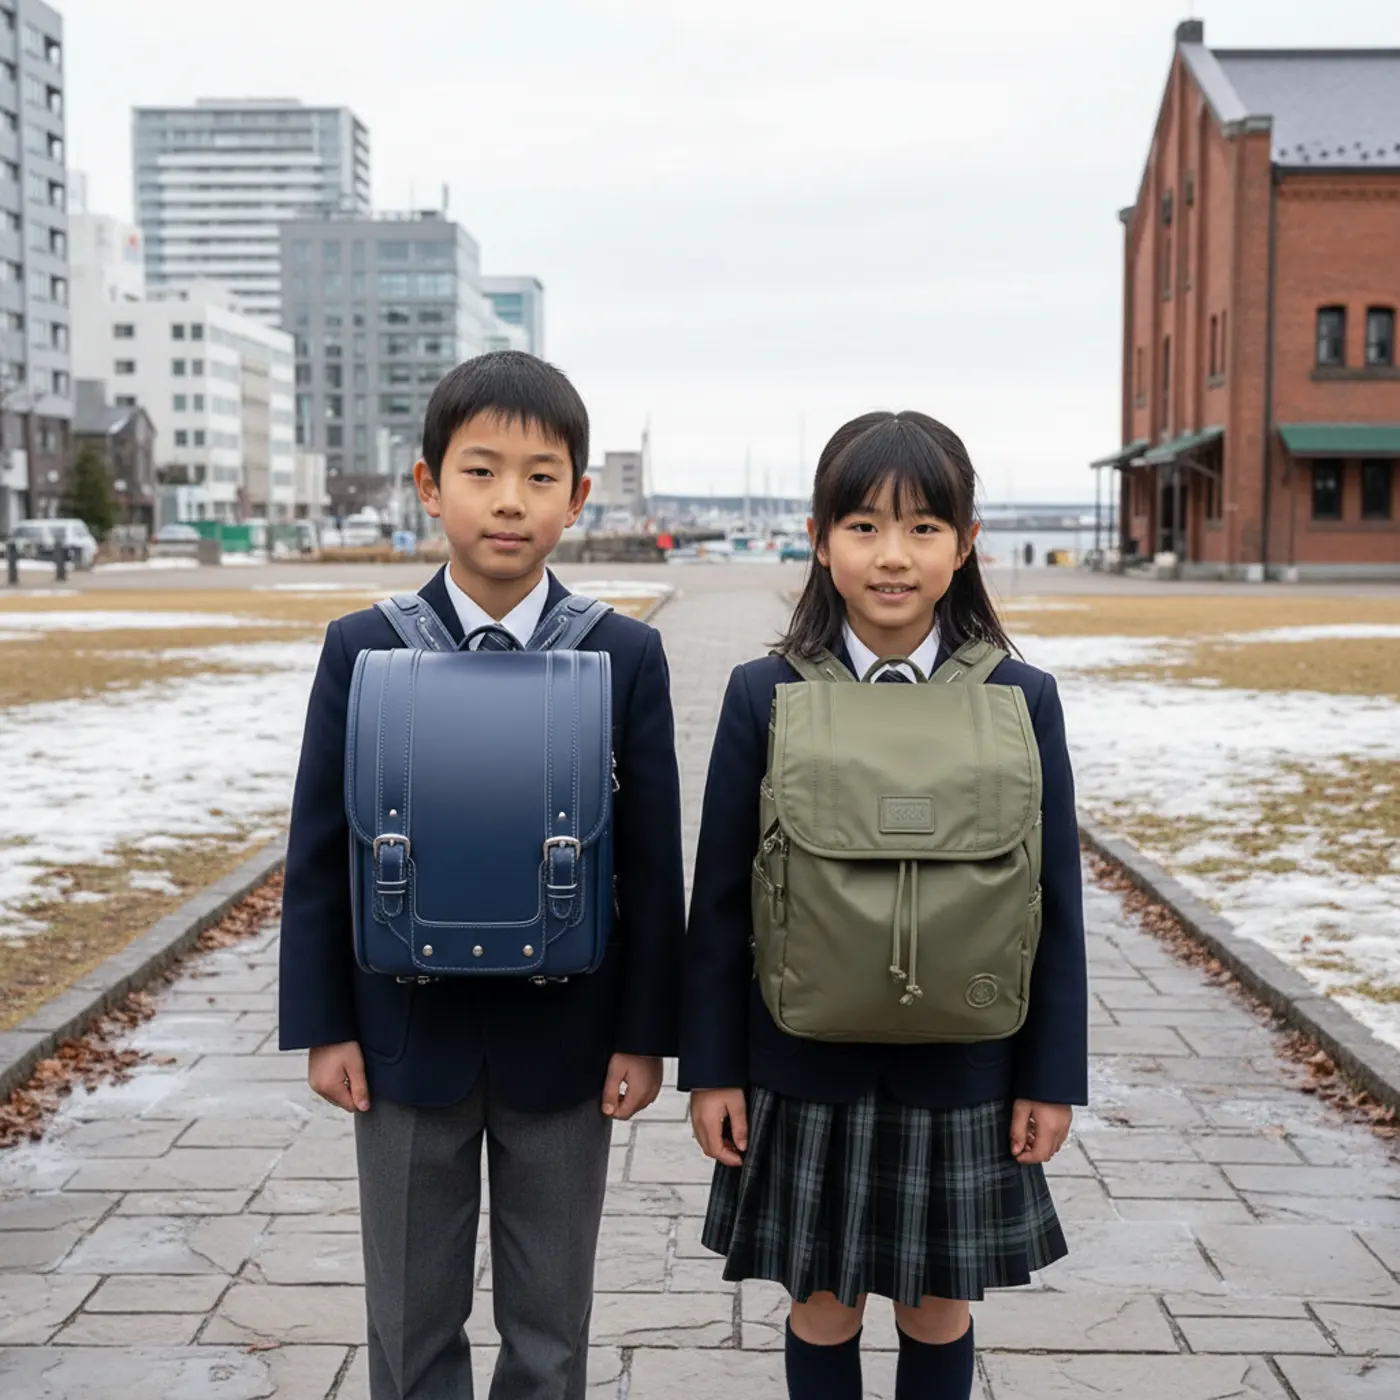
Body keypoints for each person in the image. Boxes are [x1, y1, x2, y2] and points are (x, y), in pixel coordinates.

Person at [279, 351, 686, 1400]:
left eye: (540, 476)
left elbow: (651, 866)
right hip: (401, 1042)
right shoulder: (364, 648)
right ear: (429, 484)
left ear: (577, 497)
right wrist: (325, 1025)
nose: (510, 500)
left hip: (569, 1044)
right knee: (407, 1326)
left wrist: (644, 1034)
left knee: (551, 1331)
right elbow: (320, 850)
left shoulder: (622, 655)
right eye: (480, 470)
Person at [679, 411, 1087, 1400]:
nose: (892, 555)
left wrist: (1050, 1079)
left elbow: (1054, 900)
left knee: (937, 1307)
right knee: (821, 1305)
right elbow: (720, 902)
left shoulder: (1021, 696)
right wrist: (712, 1071)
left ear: (965, 543)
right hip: (799, 1064)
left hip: (967, 1065)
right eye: (862, 526)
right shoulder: (763, 692)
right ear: (819, 541)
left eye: (922, 527)